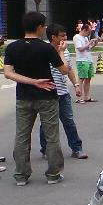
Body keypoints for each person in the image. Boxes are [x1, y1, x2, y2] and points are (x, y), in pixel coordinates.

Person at [3, 11, 70, 185]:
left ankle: (21, 175)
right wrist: (61, 51)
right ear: (40, 27)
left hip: (23, 97)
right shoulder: (46, 47)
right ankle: (53, 174)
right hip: (47, 97)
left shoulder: (12, 47)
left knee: (22, 136)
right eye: (44, 26)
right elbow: (64, 70)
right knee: (52, 137)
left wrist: (31, 82)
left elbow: (8, 74)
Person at [40, 24, 87, 160]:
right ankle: (45, 149)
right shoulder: (45, 51)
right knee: (46, 124)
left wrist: (76, 85)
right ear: (53, 37)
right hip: (48, 93)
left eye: (65, 35)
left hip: (63, 93)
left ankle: (76, 148)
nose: (65, 38)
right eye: (62, 36)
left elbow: (69, 69)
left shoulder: (65, 51)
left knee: (69, 121)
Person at [73, 22, 98, 103]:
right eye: (88, 32)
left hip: (88, 59)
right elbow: (80, 49)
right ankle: (79, 97)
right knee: (81, 78)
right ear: (84, 30)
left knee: (88, 78)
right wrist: (89, 43)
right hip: (82, 60)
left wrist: (94, 44)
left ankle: (87, 97)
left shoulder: (85, 38)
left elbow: (88, 48)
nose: (89, 34)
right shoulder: (77, 37)